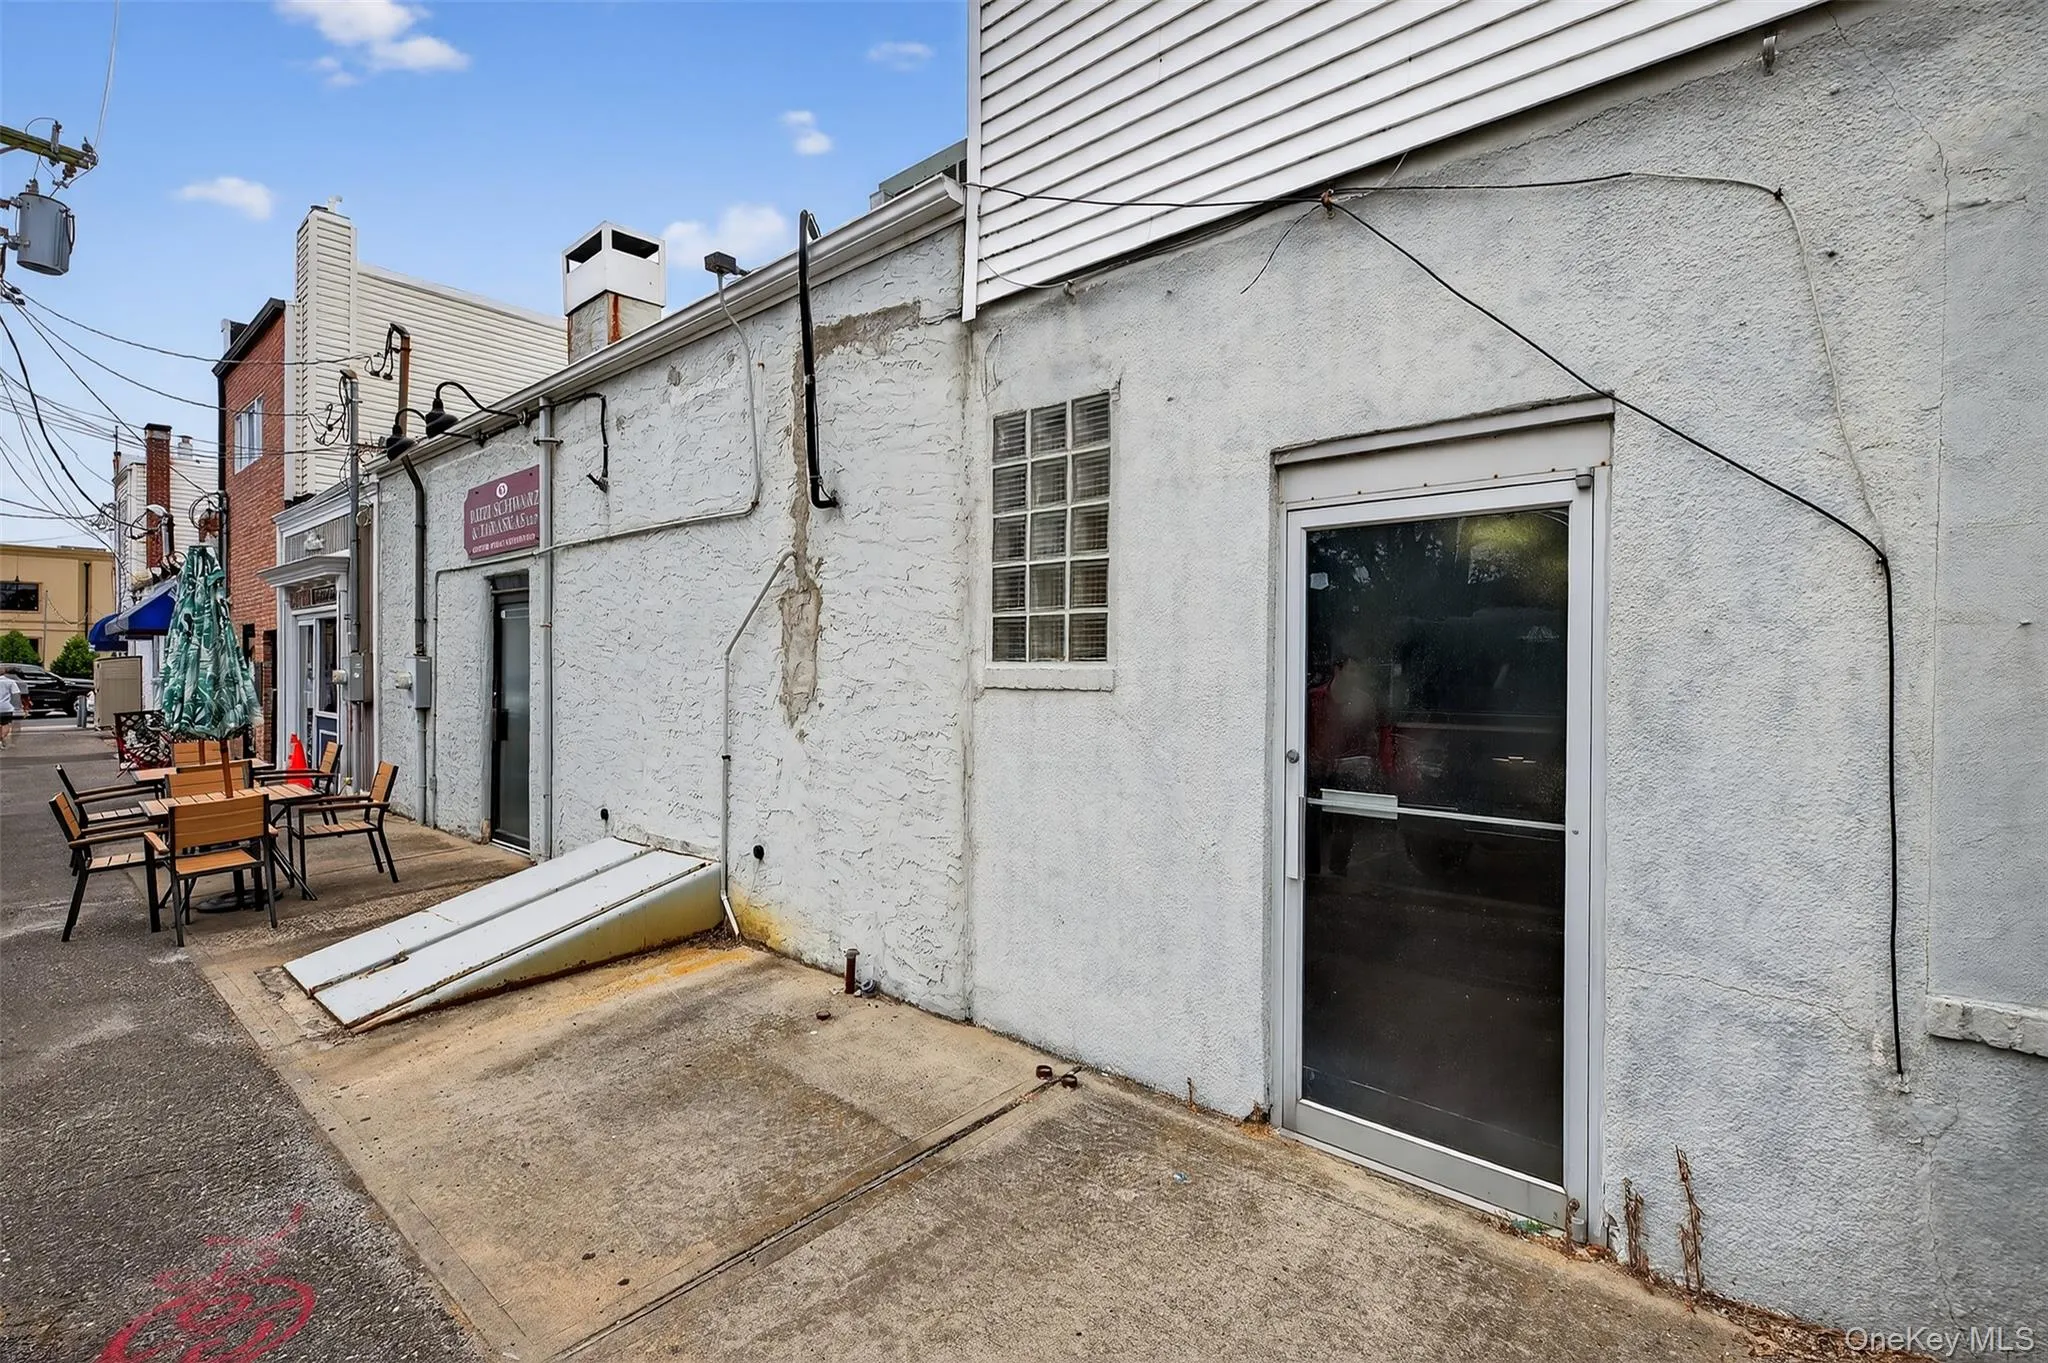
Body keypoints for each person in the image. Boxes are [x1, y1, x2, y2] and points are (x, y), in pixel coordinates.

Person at [0, 670, 24, 749]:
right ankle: (2, 738)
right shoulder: (10, 682)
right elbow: (16, 694)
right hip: (6, 707)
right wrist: (18, 706)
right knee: (6, 724)